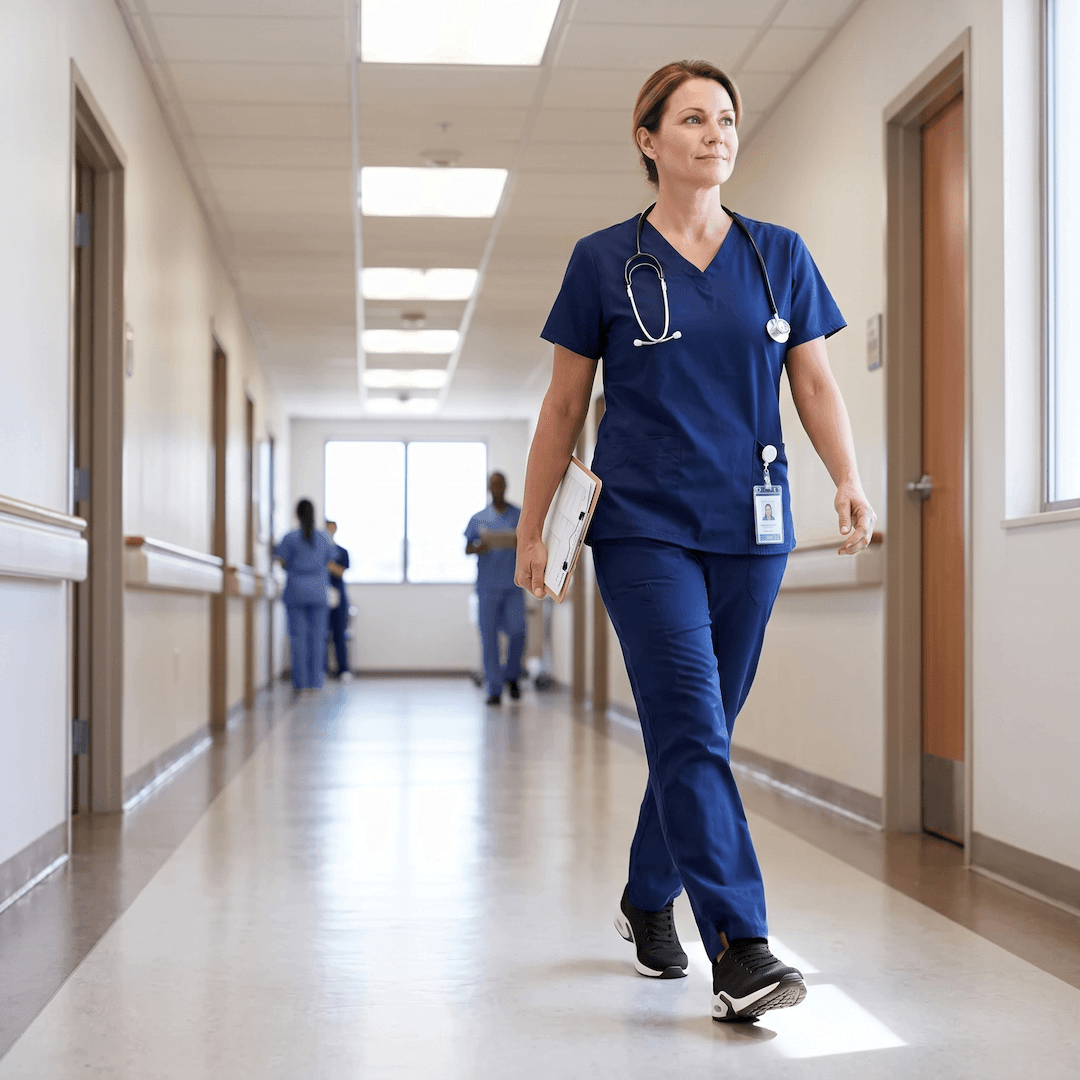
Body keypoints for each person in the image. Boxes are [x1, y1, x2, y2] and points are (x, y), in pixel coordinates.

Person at [515, 60, 876, 1023]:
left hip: (752, 526)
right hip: (641, 530)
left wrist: (845, 475)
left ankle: (645, 897)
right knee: (686, 720)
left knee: (698, 735)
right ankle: (743, 946)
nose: (715, 133)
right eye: (691, 119)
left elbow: (814, 383)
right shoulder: (604, 261)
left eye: (726, 119)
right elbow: (563, 406)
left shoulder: (778, 255)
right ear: (648, 139)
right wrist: (532, 527)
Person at [465, 472, 526, 706]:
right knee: (488, 638)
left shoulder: (518, 515)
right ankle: (494, 688)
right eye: (493, 485)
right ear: (489, 488)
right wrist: (479, 547)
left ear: (506, 486)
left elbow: (530, 542)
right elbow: (468, 548)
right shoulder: (478, 518)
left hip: (513, 586)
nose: (497, 488)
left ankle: (512, 676)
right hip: (487, 588)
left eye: (501, 484)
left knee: (518, 632)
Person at [273, 499, 343, 695]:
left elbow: (282, 561)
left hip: (296, 590)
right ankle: (315, 683)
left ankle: (301, 684)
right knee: (317, 638)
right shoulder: (324, 537)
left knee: (298, 638)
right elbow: (331, 558)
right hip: (318, 591)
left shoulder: (290, 537)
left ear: (297, 514)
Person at [324, 519, 351, 679]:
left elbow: (340, 572)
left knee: (339, 633)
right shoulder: (319, 550)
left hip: (338, 596)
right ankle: (322, 670)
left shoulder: (341, 552)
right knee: (321, 634)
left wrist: (327, 564)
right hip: (321, 594)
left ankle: (343, 669)